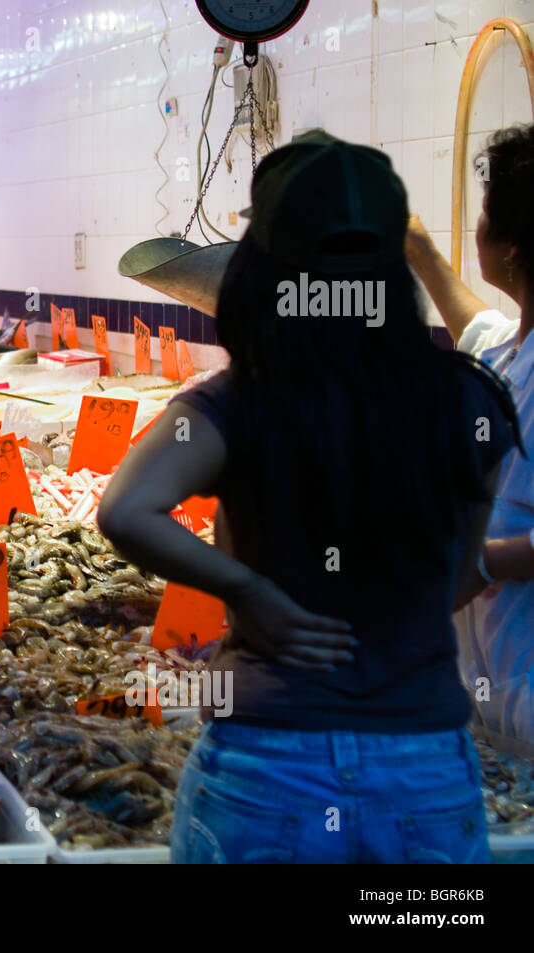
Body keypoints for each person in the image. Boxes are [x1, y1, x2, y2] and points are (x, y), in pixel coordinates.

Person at [95, 130, 520, 863]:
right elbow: (460, 572)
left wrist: (251, 590)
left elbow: (126, 509)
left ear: (261, 270)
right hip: (423, 776)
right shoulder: (469, 400)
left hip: (268, 769)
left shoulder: (241, 403)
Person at [406, 124, 534, 744]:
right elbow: (475, 328)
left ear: (513, 246)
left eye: (485, 214)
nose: (477, 227)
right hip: (491, 686)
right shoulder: (516, 346)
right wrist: (418, 248)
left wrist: (485, 560)